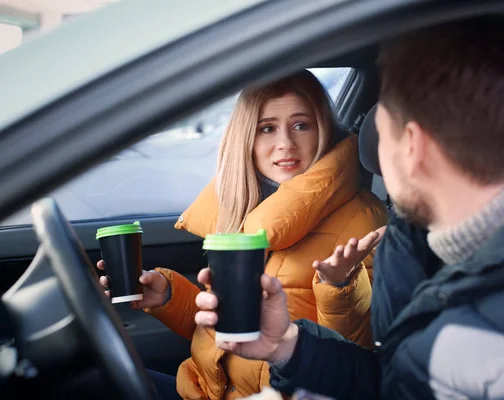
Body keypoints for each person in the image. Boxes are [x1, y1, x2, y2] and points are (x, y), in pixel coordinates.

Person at [195, 21, 504, 399]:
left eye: (377, 130)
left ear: (411, 146)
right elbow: (396, 381)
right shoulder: (418, 242)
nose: (366, 148)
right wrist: (288, 347)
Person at [98, 70, 388, 399]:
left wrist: (340, 288)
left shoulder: (364, 221)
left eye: (301, 125)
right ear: (245, 139)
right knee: (94, 378)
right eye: (267, 128)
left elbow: (349, 367)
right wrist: (166, 296)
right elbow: (229, 331)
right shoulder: (247, 204)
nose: (285, 144)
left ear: (323, 130)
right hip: (202, 389)